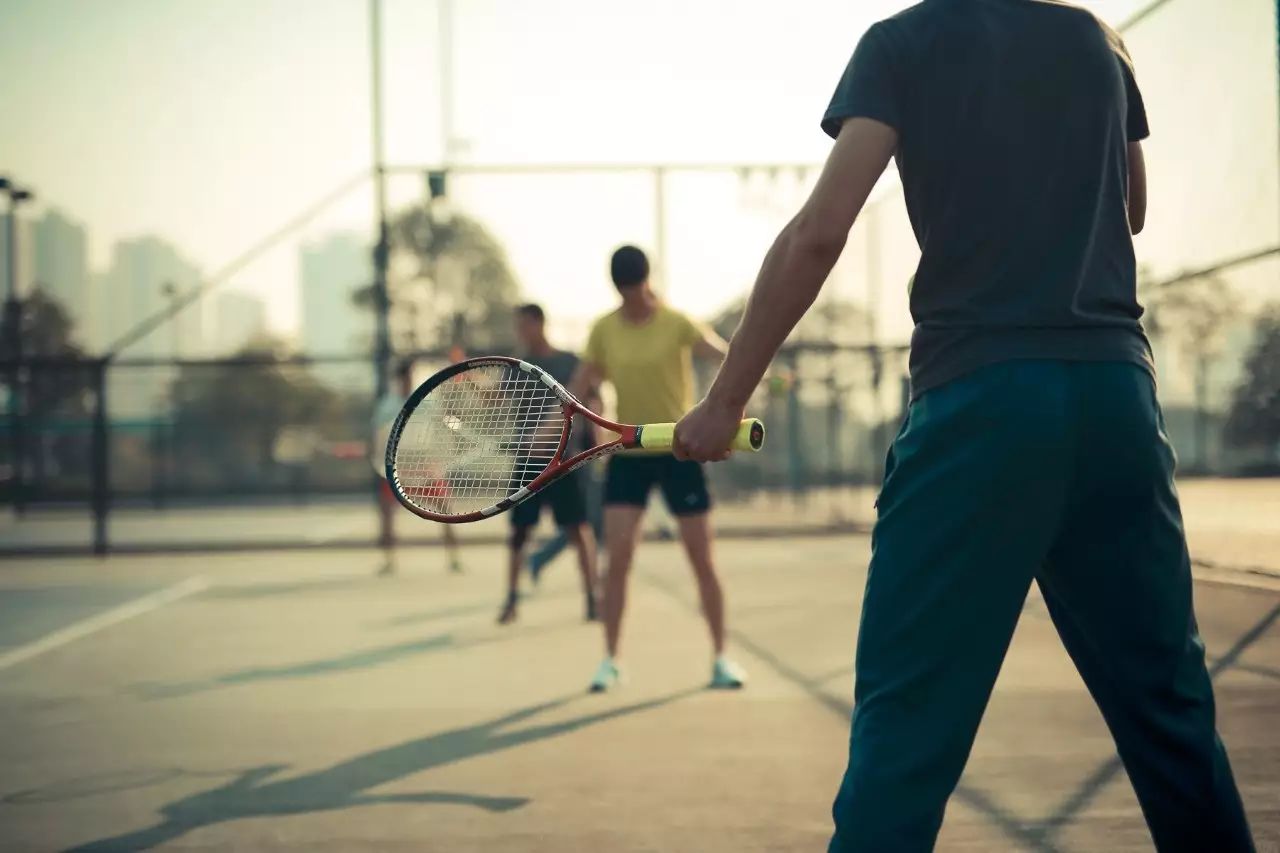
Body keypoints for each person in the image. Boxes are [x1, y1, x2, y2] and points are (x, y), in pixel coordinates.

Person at [673, 3, 1255, 851]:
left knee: (905, 738)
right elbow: (1131, 207)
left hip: (981, 408)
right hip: (1116, 401)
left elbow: (819, 231)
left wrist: (725, 399)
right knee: (1172, 717)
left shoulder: (902, 43)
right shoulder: (1099, 40)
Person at [572, 245, 747, 693]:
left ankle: (721, 657)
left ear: (646, 282)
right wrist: (551, 424)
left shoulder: (678, 322)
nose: (631, 298)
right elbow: (582, 383)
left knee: (701, 559)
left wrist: (729, 402)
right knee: (619, 560)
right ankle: (610, 660)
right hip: (629, 455)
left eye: (636, 289)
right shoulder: (604, 330)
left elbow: (724, 355)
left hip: (680, 450)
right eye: (624, 291)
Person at [499, 304, 600, 624]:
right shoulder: (516, 366)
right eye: (517, 327)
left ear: (539, 323)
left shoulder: (568, 362)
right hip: (527, 462)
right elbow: (494, 400)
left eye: (523, 325)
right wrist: (467, 380)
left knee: (578, 529)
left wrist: (593, 435)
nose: (520, 333)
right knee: (519, 533)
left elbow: (593, 399)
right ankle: (511, 600)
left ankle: (592, 599)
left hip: (563, 460)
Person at [373, 359, 462, 576]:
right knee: (387, 514)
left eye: (411, 375)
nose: (409, 380)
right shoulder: (387, 405)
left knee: (444, 510)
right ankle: (389, 560)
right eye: (406, 376)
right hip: (397, 466)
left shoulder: (427, 402)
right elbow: (379, 437)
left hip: (424, 464)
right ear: (399, 379)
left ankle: (454, 559)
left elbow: (443, 424)